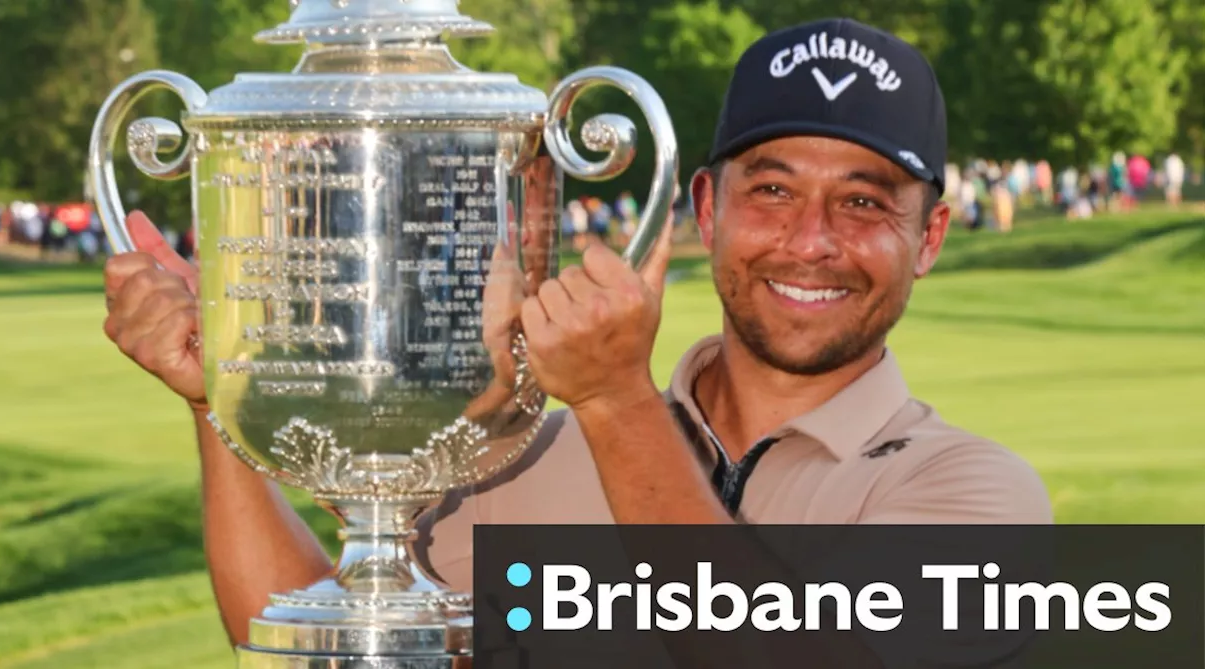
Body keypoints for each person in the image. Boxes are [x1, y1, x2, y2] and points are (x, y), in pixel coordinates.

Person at [102, 17, 1051, 657]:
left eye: (862, 202)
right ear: (707, 206)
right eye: (773, 188)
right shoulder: (525, 462)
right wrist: (217, 396)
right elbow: (345, 642)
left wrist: (613, 397)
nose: (810, 241)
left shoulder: (975, 497)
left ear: (926, 238)